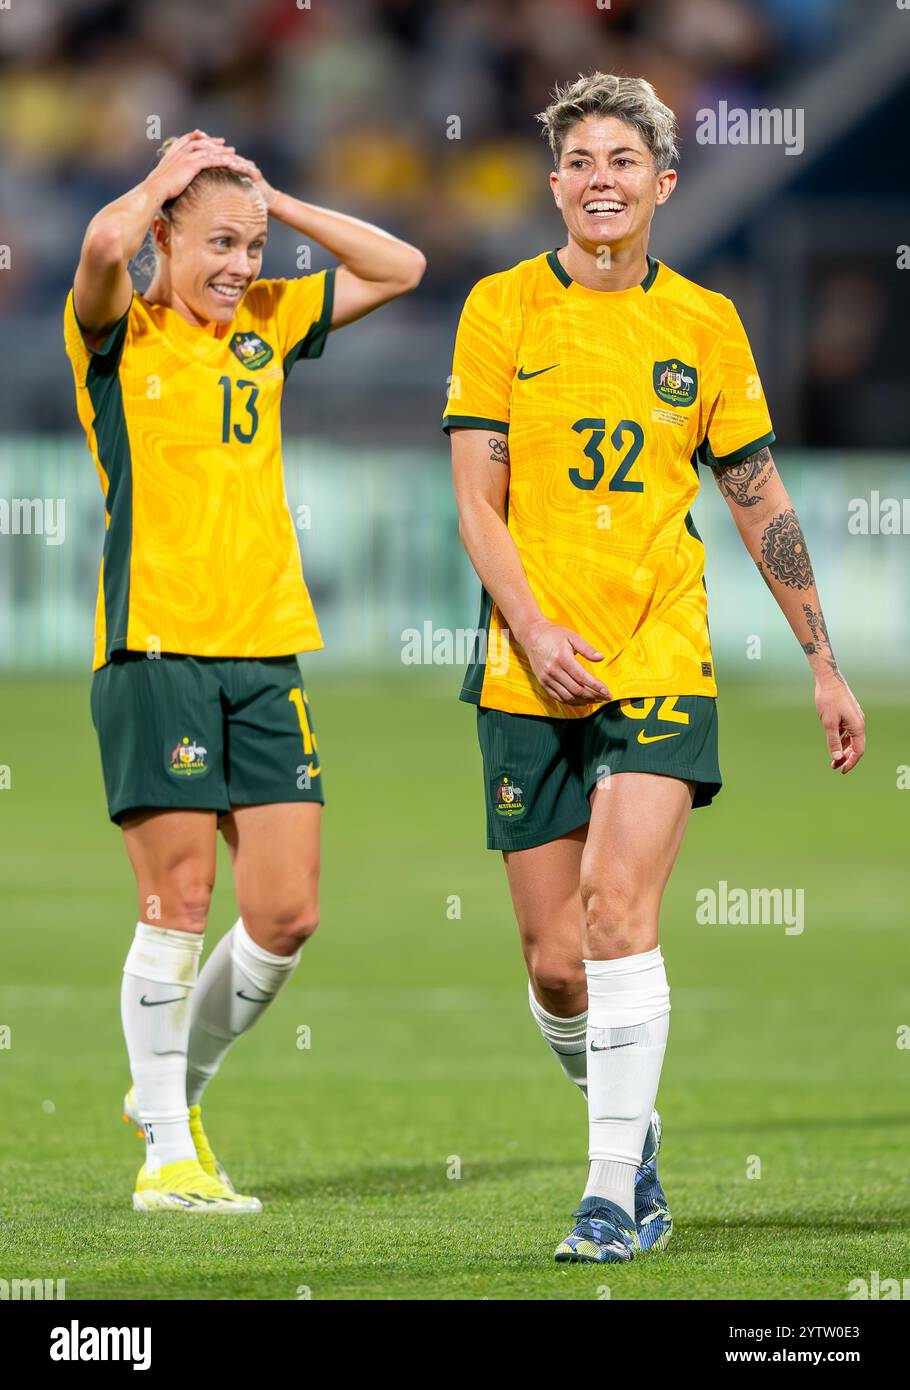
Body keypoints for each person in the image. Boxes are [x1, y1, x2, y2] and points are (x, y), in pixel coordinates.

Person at [444, 74, 864, 1263]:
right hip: (528, 667)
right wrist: (530, 629)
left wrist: (822, 663)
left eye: (622, 160)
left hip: (660, 656)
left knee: (617, 913)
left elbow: (757, 498)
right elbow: (477, 502)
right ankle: (633, 1130)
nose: (600, 180)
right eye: (579, 159)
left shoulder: (706, 324)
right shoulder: (501, 309)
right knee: (555, 966)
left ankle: (603, 1194)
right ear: (554, 182)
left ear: (663, 184)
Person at [64, 130, 425, 1213]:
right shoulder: (120, 334)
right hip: (158, 649)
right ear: (163, 239)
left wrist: (281, 204)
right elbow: (95, 249)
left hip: (267, 650)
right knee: (179, 898)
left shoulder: (271, 321)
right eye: (218, 242)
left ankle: (167, 1090)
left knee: (287, 910)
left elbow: (398, 267)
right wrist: (156, 181)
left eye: (252, 246)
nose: (239, 265)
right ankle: (167, 1153)